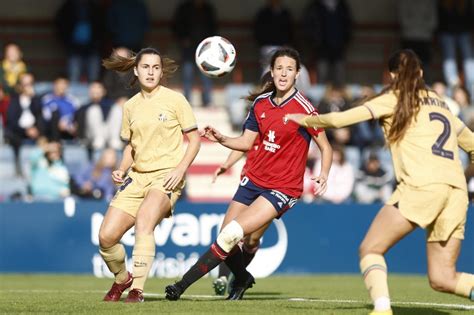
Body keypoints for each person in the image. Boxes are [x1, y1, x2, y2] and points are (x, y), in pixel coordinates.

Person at [287, 49, 474, 314]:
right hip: (456, 193)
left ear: (393, 75)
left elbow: (340, 120)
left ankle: (382, 308)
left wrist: (303, 119)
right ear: (420, 74)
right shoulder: (441, 104)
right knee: (443, 278)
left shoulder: (394, 99)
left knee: (370, 249)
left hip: (422, 187)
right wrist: (462, 178)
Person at [165, 47, 332, 301]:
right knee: (226, 237)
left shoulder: (305, 110)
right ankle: (242, 278)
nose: (283, 73)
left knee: (236, 234)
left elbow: (326, 147)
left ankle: (180, 286)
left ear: (297, 74)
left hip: (282, 188)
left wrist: (324, 173)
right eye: (279, 68)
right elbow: (246, 142)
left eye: (289, 69)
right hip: (253, 180)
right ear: (272, 72)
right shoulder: (260, 104)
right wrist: (222, 138)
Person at [98, 47, 201, 303]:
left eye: (156, 67)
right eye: (146, 67)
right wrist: (122, 168)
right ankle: (123, 280)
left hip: (166, 176)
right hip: (137, 177)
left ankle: (137, 290)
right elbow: (131, 146)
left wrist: (180, 170)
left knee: (145, 221)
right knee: (106, 237)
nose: (151, 72)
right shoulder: (130, 106)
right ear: (136, 70)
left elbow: (195, 140)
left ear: (161, 71)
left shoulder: (176, 100)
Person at [172, 0, 217, 107]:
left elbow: (213, 27)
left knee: (206, 74)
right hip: (188, 47)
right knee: (187, 74)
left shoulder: (208, 9)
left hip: (206, 48)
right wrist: (183, 38)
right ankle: (187, 101)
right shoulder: (184, 8)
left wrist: (211, 42)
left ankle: (208, 101)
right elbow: (176, 25)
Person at [5, 73, 44, 176]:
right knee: (13, 137)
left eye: (30, 84)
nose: (28, 87)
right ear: (20, 86)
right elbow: (11, 120)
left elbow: (40, 115)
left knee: (45, 138)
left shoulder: (37, 99)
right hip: (18, 131)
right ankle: (19, 169)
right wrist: (25, 130)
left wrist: (33, 98)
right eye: (25, 84)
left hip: (35, 130)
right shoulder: (14, 100)